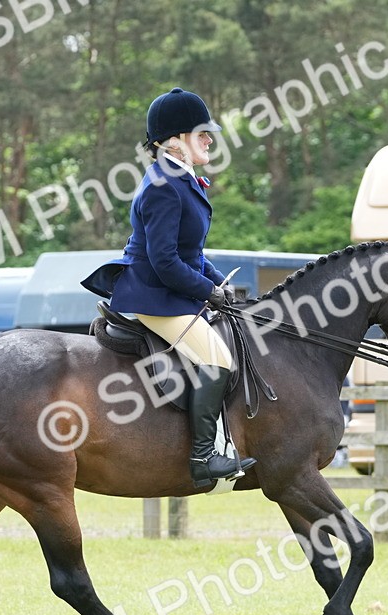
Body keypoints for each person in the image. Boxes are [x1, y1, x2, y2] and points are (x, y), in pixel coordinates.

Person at [100, 87, 256, 488]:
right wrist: (208, 292)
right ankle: (202, 457)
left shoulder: (182, 181)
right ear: (174, 142)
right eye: (201, 133)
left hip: (170, 289)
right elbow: (166, 261)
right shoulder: (162, 186)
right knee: (218, 359)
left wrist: (222, 285)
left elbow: (192, 253)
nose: (209, 139)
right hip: (153, 293)